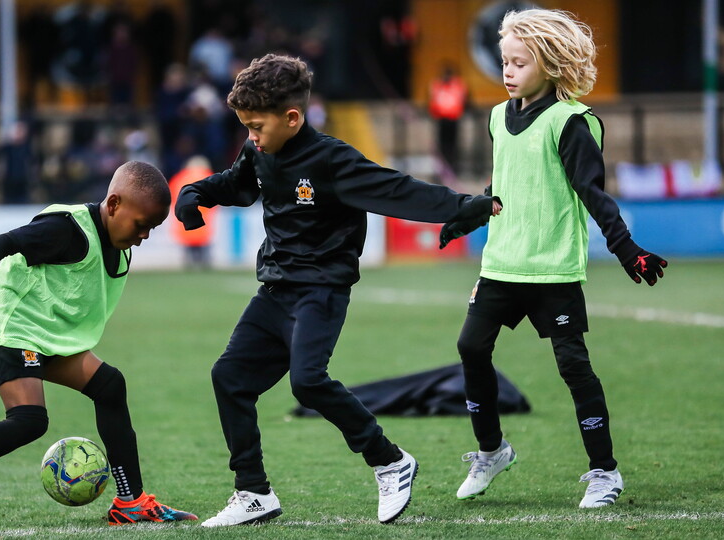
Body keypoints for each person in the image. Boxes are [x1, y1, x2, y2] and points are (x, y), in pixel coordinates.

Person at [174, 54, 499, 527]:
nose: (251, 137)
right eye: (244, 126)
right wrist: (196, 194)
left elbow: (397, 189)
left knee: (308, 381)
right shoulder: (259, 152)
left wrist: (463, 206)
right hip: (275, 291)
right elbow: (237, 185)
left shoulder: (331, 160)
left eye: (256, 126)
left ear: (292, 117)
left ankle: (389, 460)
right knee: (229, 378)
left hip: (321, 290)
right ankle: (253, 493)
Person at [0, 161, 197, 535]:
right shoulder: (67, 230)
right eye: (141, 224)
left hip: (45, 334)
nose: (145, 234)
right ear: (113, 204)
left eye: (153, 227)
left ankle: (131, 503)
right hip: (7, 326)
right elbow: (7, 242)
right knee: (29, 420)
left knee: (110, 386)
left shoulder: (118, 240)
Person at [438, 9, 668, 509]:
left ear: (549, 64)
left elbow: (593, 194)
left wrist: (626, 250)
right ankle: (492, 451)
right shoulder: (499, 116)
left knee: (573, 366)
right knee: (471, 347)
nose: (508, 71)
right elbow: (503, 186)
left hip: (552, 269)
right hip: (500, 263)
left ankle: (604, 472)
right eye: (505, 61)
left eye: (519, 62)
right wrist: (468, 216)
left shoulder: (572, 122)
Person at [167, 155, 215, 269]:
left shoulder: (179, 178)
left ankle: (189, 264)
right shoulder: (209, 176)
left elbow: (172, 198)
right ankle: (204, 264)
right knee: (203, 249)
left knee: (188, 249)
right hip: (204, 220)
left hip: (185, 221)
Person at [428, 63, 468, 180]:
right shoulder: (437, 85)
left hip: (454, 119)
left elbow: (464, 100)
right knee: (441, 146)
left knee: (453, 146)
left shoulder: (458, 85)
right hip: (441, 119)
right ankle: (441, 170)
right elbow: (432, 100)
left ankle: (453, 169)